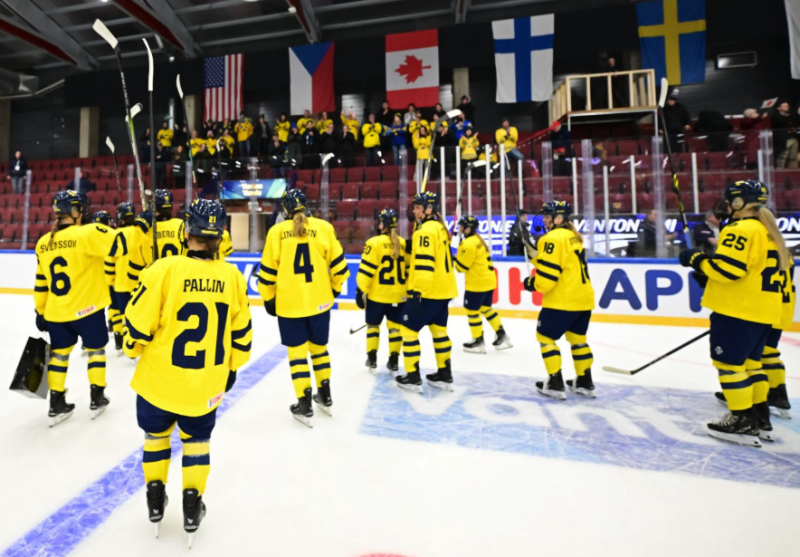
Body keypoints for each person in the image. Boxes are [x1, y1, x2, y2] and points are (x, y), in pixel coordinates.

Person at [123, 199, 252, 544]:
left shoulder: (163, 269)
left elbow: (134, 327)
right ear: (219, 235)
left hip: (157, 383)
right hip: (204, 385)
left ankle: (154, 497)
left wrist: (132, 349)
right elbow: (242, 335)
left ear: (187, 230)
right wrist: (232, 369)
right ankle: (192, 506)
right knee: (196, 443)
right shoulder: (233, 277)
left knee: (155, 438)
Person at [679, 180, 789, 447]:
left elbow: (729, 270)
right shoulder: (768, 230)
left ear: (739, 203)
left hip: (738, 311)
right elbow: (747, 272)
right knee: (753, 365)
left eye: (729, 201)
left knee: (729, 366)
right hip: (763, 311)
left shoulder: (741, 229)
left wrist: (696, 260)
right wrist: (710, 276)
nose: (727, 206)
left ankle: (741, 420)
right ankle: (760, 417)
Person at [256, 189, 349, 426]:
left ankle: (305, 403)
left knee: (297, 355)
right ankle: (325, 396)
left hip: (290, 306)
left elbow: (266, 274)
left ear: (285, 209)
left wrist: (268, 298)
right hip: (319, 304)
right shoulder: (324, 227)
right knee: (319, 349)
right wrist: (334, 291)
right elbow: (340, 268)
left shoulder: (276, 232)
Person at [33, 190, 116, 426]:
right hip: (88, 310)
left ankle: (56, 403)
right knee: (96, 351)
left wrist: (40, 311)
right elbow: (119, 245)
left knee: (59, 355)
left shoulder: (43, 243)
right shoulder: (87, 233)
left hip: (57, 313)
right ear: (77, 212)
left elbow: (41, 283)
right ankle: (97, 397)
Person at [523, 200, 596, 399]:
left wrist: (531, 283)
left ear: (559, 218)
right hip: (583, 299)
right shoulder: (574, 236)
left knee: (546, 338)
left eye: (548, 216)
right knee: (579, 340)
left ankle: (555, 382)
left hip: (562, 301)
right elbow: (562, 263)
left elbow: (546, 281)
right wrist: (536, 256)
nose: (545, 220)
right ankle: (584, 381)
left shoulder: (551, 238)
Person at [395, 191, 458, 393]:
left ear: (428, 210)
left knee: (408, 330)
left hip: (428, 292)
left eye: (417, 207)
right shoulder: (439, 227)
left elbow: (424, 265)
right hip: (444, 290)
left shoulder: (424, 232)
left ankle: (413, 376)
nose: (414, 210)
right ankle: (444, 374)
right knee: (439, 330)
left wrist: (416, 293)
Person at [355, 209, 408, 373]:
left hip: (377, 297)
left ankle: (372, 358)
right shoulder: (402, 243)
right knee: (395, 328)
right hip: (398, 297)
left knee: (373, 326)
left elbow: (366, 271)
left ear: (382, 224)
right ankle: (393, 360)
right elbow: (409, 269)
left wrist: (360, 290)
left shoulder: (373, 243)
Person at [454, 215, 512, 353]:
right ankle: (502, 335)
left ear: (468, 228)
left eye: (462, 226)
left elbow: (461, 268)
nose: (460, 228)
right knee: (486, 308)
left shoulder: (467, 244)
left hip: (477, 283)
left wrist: (454, 258)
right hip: (488, 280)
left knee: (472, 311)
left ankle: (478, 341)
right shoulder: (477, 240)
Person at [104, 202, 137, 353]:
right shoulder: (141, 232)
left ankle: (122, 341)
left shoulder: (115, 236)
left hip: (122, 284)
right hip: (139, 283)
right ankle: (137, 342)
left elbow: (109, 261)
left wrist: (110, 281)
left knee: (124, 314)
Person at [129, 190, 185, 278]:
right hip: (177, 280)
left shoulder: (145, 229)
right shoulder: (181, 225)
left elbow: (135, 270)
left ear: (153, 206)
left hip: (152, 280)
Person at [771, 101, 800, 169]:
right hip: (783, 139)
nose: (787, 107)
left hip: (793, 138)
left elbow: (796, 122)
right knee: (783, 155)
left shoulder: (791, 116)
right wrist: (788, 119)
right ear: (778, 108)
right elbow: (782, 123)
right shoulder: (776, 117)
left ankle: (793, 171)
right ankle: (780, 170)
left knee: (793, 156)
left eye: (787, 105)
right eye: (784, 105)